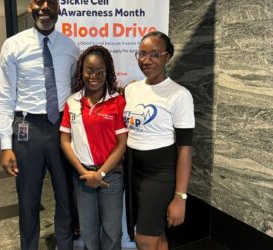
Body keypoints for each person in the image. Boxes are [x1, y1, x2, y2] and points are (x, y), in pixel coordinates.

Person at [0, 0, 80, 249]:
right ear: (30, 5)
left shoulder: (71, 47)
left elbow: (77, 90)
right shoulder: (13, 45)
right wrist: (5, 145)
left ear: (58, 8)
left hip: (62, 130)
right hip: (26, 129)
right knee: (28, 199)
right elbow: (4, 95)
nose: (44, 8)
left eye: (50, 2)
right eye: (38, 1)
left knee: (65, 198)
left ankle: (65, 246)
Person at [123, 31, 195, 250]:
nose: (146, 60)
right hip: (132, 168)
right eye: (142, 54)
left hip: (159, 173)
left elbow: (184, 149)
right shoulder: (132, 89)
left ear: (167, 57)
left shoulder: (179, 94)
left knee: (144, 238)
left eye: (155, 54)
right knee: (156, 236)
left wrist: (180, 197)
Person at [60, 45, 128, 250]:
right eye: (89, 70)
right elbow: (64, 141)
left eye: (100, 71)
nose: (94, 76)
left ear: (108, 73)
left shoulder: (117, 102)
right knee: (89, 232)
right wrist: (85, 173)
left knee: (111, 231)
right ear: (81, 71)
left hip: (111, 176)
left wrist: (101, 173)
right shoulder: (72, 102)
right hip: (82, 177)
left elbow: (122, 143)